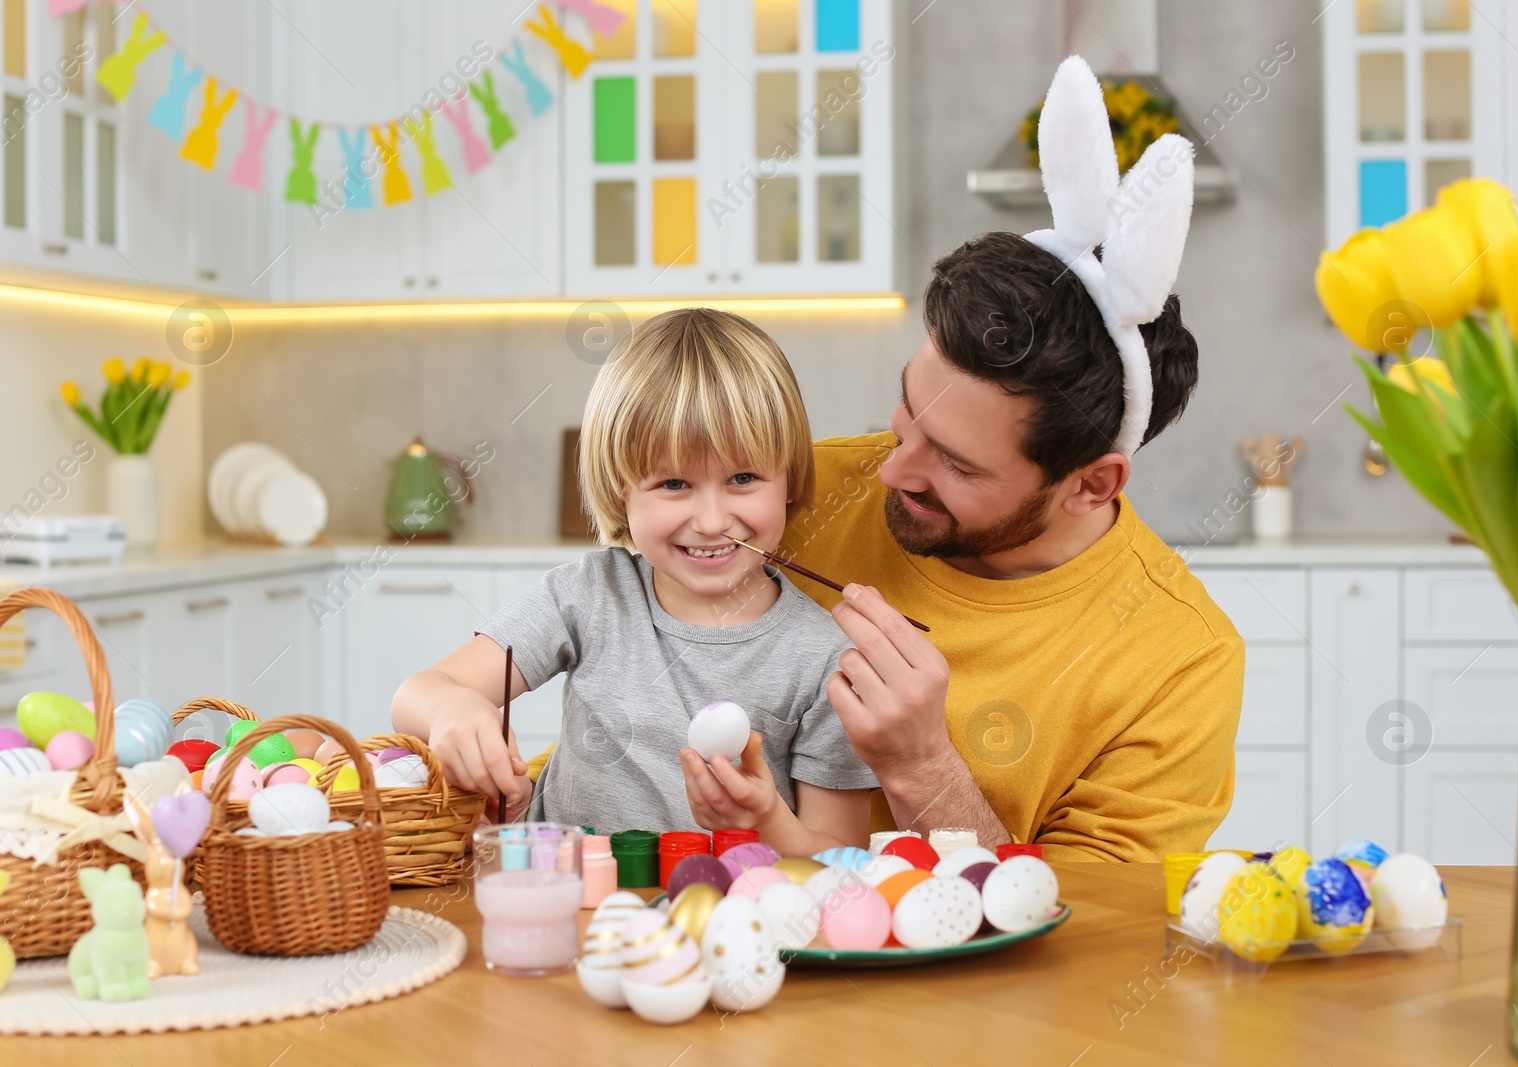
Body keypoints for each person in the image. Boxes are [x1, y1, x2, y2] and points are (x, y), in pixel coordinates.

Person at [780, 58, 1245, 862]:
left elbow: (1086, 949)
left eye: (956, 464)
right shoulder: (788, 491)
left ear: (1090, 483)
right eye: (904, 415)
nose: (891, 471)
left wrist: (920, 765)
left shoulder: (1179, 661)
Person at [391, 308, 877, 853]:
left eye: (743, 478)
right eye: (673, 483)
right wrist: (456, 710)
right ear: (621, 490)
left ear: (788, 479)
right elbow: (417, 694)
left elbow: (841, 863)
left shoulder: (826, 660)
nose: (713, 520)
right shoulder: (587, 595)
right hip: (572, 911)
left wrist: (763, 817)